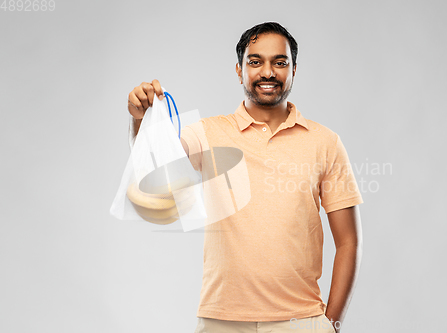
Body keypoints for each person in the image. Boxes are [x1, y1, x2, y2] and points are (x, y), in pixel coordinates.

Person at [127, 22, 363, 333]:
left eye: (280, 62)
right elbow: (157, 168)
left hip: (301, 322)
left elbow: (348, 242)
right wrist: (141, 118)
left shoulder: (325, 142)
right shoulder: (207, 133)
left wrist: (330, 325)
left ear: (294, 70)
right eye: (255, 61)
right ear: (239, 70)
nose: (268, 72)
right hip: (221, 322)